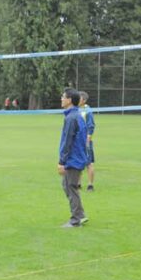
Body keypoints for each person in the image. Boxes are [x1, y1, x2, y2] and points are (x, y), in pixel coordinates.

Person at [58, 88, 88, 228]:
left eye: (63, 97)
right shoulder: (77, 115)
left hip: (73, 159)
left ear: (69, 100)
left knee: (70, 187)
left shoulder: (71, 118)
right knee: (67, 186)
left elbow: (67, 141)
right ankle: (80, 215)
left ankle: (76, 220)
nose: (61, 99)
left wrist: (61, 161)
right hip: (78, 157)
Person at [80, 91, 96, 192]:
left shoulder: (87, 110)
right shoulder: (75, 109)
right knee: (78, 162)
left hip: (85, 141)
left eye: (79, 98)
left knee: (89, 163)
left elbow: (91, 125)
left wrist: (88, 139)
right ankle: (78, 184)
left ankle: (90, 185)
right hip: (77, 141)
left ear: (84, 100)